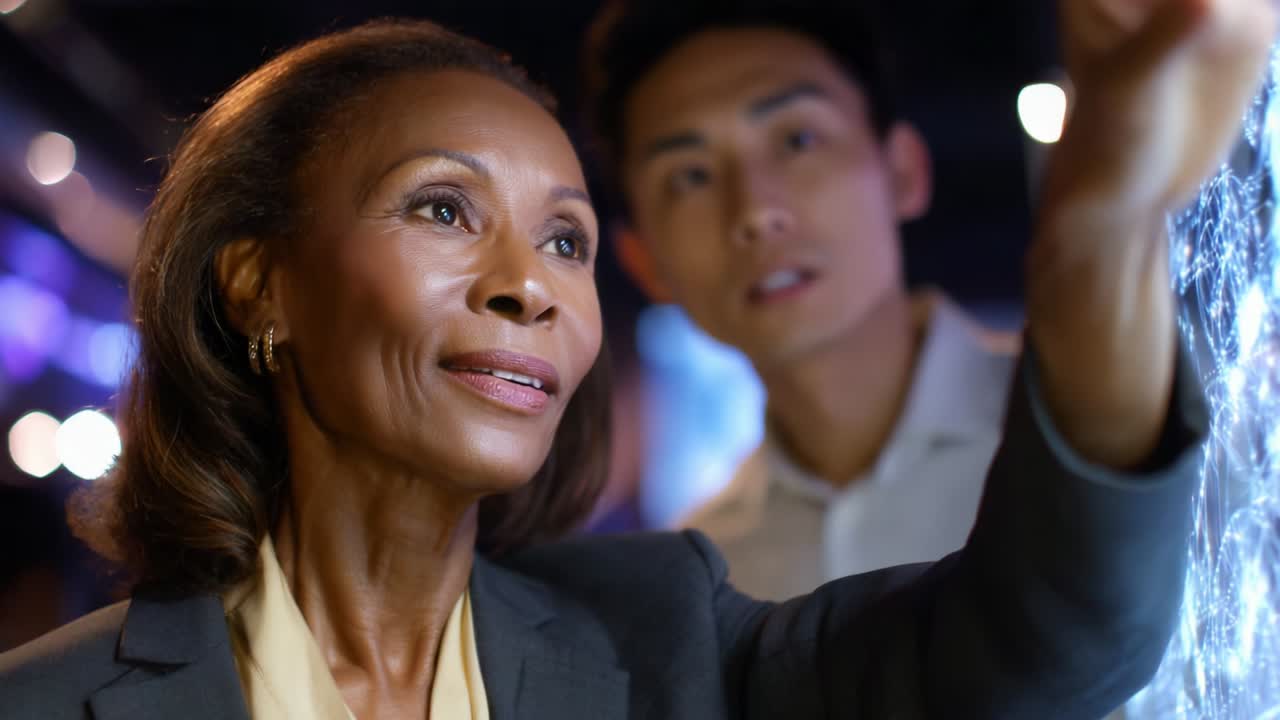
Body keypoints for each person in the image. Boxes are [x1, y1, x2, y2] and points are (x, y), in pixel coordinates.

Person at [0, 3, 1271, 716]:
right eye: (442, 208)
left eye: (565, 238)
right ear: (259, 279)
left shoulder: (666, 637)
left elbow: (1048, 635)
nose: (528, 286)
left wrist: (1100, 210)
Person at [580, 0, 1017, 600]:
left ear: (903, 170)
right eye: (690, 175)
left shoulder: (1088, 445)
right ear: (644, 263)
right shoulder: (707, 586)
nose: (755, 212)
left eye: (797, 139)